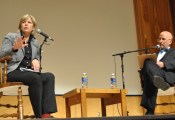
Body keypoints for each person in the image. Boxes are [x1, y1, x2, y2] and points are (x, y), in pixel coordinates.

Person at [0, 14, 57, 118]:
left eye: (29, 22)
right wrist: (13, 48)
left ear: (33, 27)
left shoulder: (35, 42)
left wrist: (36, 59)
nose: (26, 24)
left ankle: (46, 115)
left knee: (49, 76)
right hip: (13, 72)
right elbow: (1, 54)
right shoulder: (11, 37)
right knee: (35, 78)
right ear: (20, 25)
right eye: (23, 22)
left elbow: (37, 56)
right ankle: (38, 115)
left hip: (28, 72)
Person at [140, 31, 175, 115]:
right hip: (157, 78)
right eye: (159, 39)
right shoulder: (155, 54)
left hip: (167, 76)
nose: (160, 41)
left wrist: (164, 64)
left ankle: (150, 110)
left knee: (151, 78)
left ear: (170, 41)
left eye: (163, 39)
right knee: (147, 61)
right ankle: (157, 79)